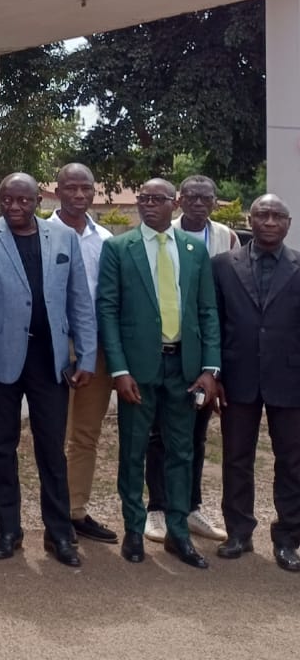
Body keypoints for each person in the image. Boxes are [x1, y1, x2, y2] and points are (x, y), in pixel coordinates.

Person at [0, 173, 95, 567]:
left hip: (51, 362)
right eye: (7, 200)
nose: (15, 207)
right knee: (0, 448)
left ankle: (59, 535)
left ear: (38, 200)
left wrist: (85, 356)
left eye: (23, 200)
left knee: (51, 449)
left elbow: (79, 300)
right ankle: (8, 530)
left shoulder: (63, 237)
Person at [97, 177, 221, 569]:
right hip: (138, 368)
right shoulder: (118, 248)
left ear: (175, 203)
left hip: (184, 367)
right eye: (144, 199)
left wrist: (210, 369)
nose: (148, 205)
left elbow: (207, 311)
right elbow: (108, 312)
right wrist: (119, 370)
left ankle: (178, 534)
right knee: (133, 450)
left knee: (181, 451)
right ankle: (135, 529)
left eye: (157, 199)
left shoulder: (193, 250)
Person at [143, 175, 238, 544]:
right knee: (158, 435)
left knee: (195, 435)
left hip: (202, 353)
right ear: (179, 200)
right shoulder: (163, 231)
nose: (199, 203)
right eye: (192, 197)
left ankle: (191, 506)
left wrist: (214, 363)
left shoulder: (225, 237)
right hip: (163, 350)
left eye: (207, 197)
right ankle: (157, 508)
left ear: (215, 202)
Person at [211, 194, 300, 572]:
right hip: (237, 377)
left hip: (291, 378)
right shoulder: (222, 266)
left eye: (276, 215)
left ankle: (289, 539)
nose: (268, 221)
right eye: (261, 214)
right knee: (236, 458)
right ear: (250, 219)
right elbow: (212, 322)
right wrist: (213, 374)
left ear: (288, 223)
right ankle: (239, 533)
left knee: (293, 462)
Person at [47, 163, 118, 545]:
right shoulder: (39, 234)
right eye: (71, 188)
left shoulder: (106, 240)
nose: (79, 195)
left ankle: (75, 512)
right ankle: (51, 514)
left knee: (85, 435)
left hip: (95, 351)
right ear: (56, 191)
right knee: (50, 434)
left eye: (85, 189)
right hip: (49, 348)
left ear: (94, 193)